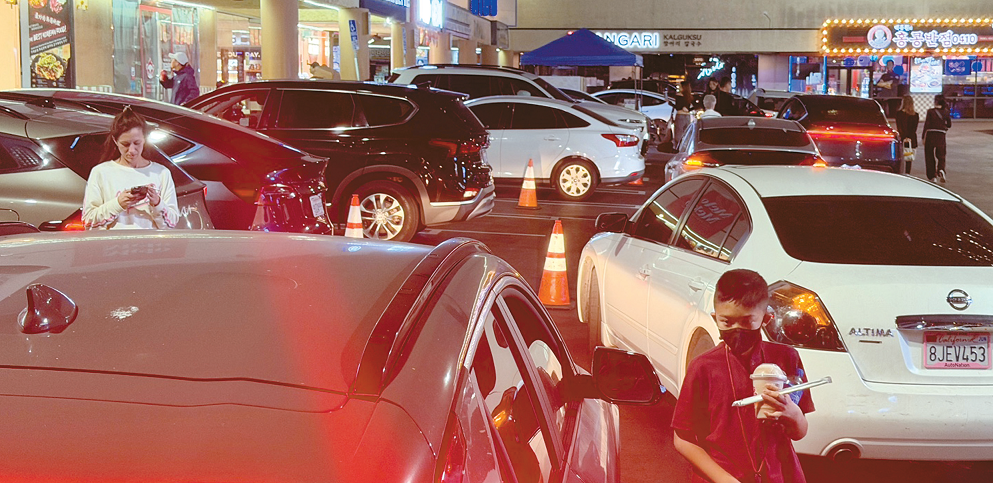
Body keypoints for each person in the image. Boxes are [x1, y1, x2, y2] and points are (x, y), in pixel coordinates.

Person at [672, 269, 814, 483]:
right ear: (715, 318)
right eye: (727, 322)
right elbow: (682, 439)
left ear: (766, 319)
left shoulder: (787, 358)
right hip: (721, 476)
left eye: (747, 321)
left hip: (778, 475)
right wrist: (724, 479)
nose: (737, 329)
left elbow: (800, 432)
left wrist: (793, 414)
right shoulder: (703, 367)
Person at [82, 106, 179, 230]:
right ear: (115, 141)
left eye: (137, 143)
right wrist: (118, 204)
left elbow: (171, 224)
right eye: (125, 144)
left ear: (144, 139)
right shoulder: (101, 172)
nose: (132, 150)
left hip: (151, 247)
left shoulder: (161, 173)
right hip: (114, 246)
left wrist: (157, 203)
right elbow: (88, 222)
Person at [923, 94, 952, 183]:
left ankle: (932, 176)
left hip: (931, 134)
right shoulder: (946, 112)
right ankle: (941, 169)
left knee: (929, 155)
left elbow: (927, 125)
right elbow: (949, 124)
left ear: (935, 101)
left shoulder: (930, 111)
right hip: (941, 135)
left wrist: (923, 136)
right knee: (941, 155)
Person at [893, 95, 919, 174]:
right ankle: (908, 173)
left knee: (900, 157)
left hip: (902, 138)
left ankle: (899, 172)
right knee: (908, 158)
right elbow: (914, 128)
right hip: (912, 139)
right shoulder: (915, 115)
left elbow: (899, 127)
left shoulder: (899, 114)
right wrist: (909, 137)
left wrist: (904, 136)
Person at [672, 80, 695, 146]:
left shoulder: (679, 96)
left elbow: (678, 107)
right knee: (686, 132)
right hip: (687, 116)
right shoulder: (689, 96)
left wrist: (671, 104)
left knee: (679, 132)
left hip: (680, 115)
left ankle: (678, 146)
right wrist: (688, 110)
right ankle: (686, 146)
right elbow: (694, 106)